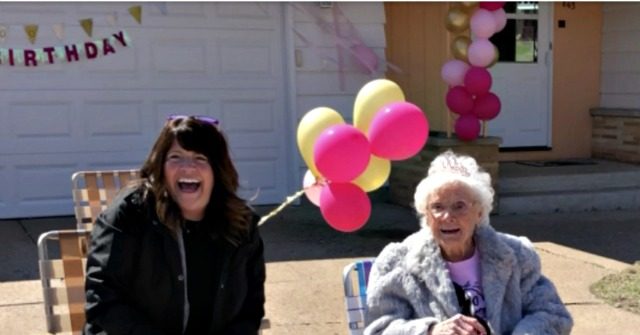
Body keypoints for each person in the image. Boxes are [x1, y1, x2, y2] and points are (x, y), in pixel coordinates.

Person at [84, 115, 266, 335]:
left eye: (200, 158)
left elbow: (250, 309)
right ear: (160, 166)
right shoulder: (129, 214)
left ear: (217, 170)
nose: (188, 167)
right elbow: (102, 298)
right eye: (176, 157)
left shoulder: (242, 225)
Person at [364, 150, 572, 335]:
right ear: (426, 215)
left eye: (459, 206)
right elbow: (378, 329)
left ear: (479, 213)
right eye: (437, 207)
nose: (447, 216)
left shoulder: (515, 255)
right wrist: (430, 331)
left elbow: (552, 315)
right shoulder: (398, 262)